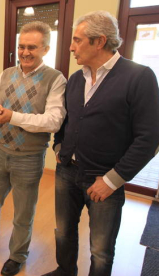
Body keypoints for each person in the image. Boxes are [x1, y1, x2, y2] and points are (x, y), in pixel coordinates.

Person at [42, 11, 159, 276]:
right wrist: (59, 148)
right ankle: (65, 270)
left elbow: (149, 138)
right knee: (63, 232)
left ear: (99, 41)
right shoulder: (75, 79)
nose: (71, 47)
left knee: (101, 249)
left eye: (77, 40)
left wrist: (111, 181)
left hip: (104, 179)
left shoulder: (139, 77)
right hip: (67, 172)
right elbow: (65, 121)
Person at [0, 22, 66, 276]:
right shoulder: (7, 73)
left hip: (29, 158)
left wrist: (12, 116)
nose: (25, 52)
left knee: (22, 214)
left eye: (32, 47)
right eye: (21, 46)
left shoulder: (56, 79)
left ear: (45, 49)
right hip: (0, 152)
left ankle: (18, 256)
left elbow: (54, 121)